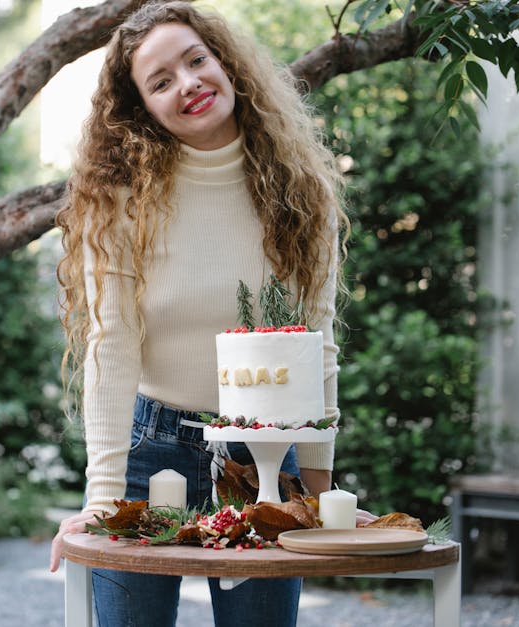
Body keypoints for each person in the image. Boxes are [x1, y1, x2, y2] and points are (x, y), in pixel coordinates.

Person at [48, 2, 361, 625]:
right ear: (141, 108)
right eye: (160, 81)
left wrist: (321, 490)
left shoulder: (303, 189)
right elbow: (111, 348)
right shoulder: (120, 201)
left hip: (265, 457)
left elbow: (317, 344)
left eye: (196, 60)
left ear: (224, 62)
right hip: (150, 449)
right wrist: (103, 500)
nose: (188, 83)